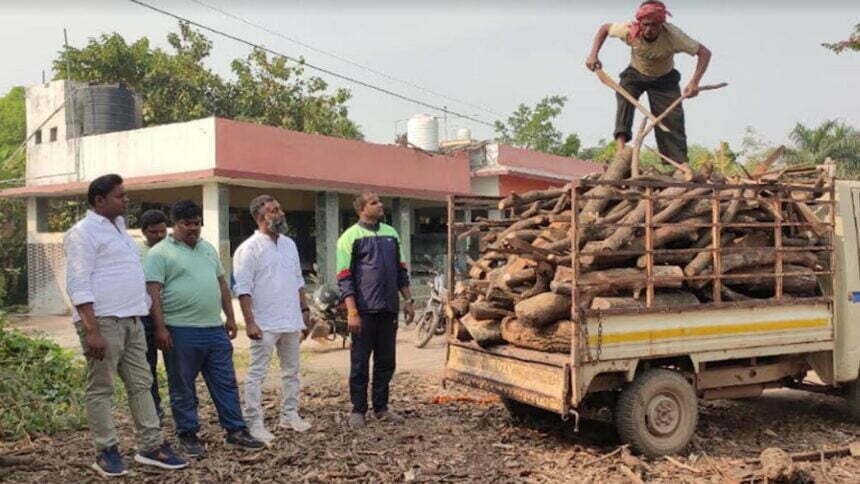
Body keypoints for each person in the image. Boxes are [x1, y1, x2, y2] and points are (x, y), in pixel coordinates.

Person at [64, 174, 187, 477]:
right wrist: (91, 329)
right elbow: (78, 282)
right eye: (120, 196)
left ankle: (151, 446)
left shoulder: (120, 230)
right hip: (103, 321)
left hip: (132, 319)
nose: (126, 199)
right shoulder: (82, 233)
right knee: (102, 388)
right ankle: (106, 451)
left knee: (141, 384)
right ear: (99, 200)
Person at [144, 200, 263, 458]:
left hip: (213, 329)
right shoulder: (159, 254)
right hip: (179, 330)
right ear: (174, 225)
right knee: (183, 386)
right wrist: (160, 329)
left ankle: (236, 431)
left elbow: (221, 285)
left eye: (197, 223)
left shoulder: (208, 249)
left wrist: (230, 318)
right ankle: (188, 434)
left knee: (225, 382)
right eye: (187, 224)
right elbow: (153, 293)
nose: (193, 228)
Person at [585, 0, 711, 163]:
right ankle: (622, 154)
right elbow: (605, 28)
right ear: (640, 22)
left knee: (673, 120)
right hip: (635, 74)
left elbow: (704, 53)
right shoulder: (630, 31)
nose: (649, 29)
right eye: (645, 24)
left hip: (664, 79)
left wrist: (694, 82)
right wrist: (593, 54)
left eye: (654, 25)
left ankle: (678, 164)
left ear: (661, 24)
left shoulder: (674, 36)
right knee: (624, 98)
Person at [233, 195, 312, 443]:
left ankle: (289, 415)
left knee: (292, 371)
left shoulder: (289, 244)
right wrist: (250, 321)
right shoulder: (248, 249)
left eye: (280, 209)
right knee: (257, 374)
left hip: (290, 318)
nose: (280, 213)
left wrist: (304, 309)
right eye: (273, 211)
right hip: (264, 323)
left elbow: (298, 279)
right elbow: (243, 289)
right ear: (260, 217)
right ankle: (254, 423)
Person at [336, 192, 415, 428]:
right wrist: (352, 312)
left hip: (389, 309)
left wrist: (408, 301)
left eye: (380, 202)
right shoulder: (349, 237)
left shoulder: (391, 234)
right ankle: (358, 409)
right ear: (361, 209)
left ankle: (381, 407)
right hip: (363, 312)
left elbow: (401, 271)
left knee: (386, 361)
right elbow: (344, 277)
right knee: (360, 362)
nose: (380, 205)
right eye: (374, 203)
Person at [138, 209, 168, 420]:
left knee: (176, 365)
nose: (158, 236)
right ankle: (153, 408)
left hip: (172, 315)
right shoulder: (135, 250)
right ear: (143, 232)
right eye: (153, 232)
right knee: (148, 365)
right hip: (145, 316)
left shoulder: (172, 249)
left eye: (162, 231)